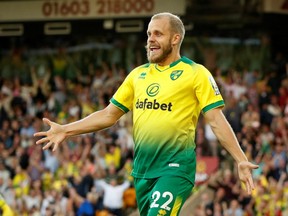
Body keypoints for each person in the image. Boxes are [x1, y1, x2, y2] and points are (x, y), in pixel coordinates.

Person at [34, 12, 259, 216]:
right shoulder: (137, 76)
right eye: (149, 34)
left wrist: (240, 159)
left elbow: (216, 120)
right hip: (142, 172)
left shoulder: (195, 73)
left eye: (158, 34)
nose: (150, 39)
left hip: (175, 169)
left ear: (175, 39)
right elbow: (108, 115)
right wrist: (66, 129)